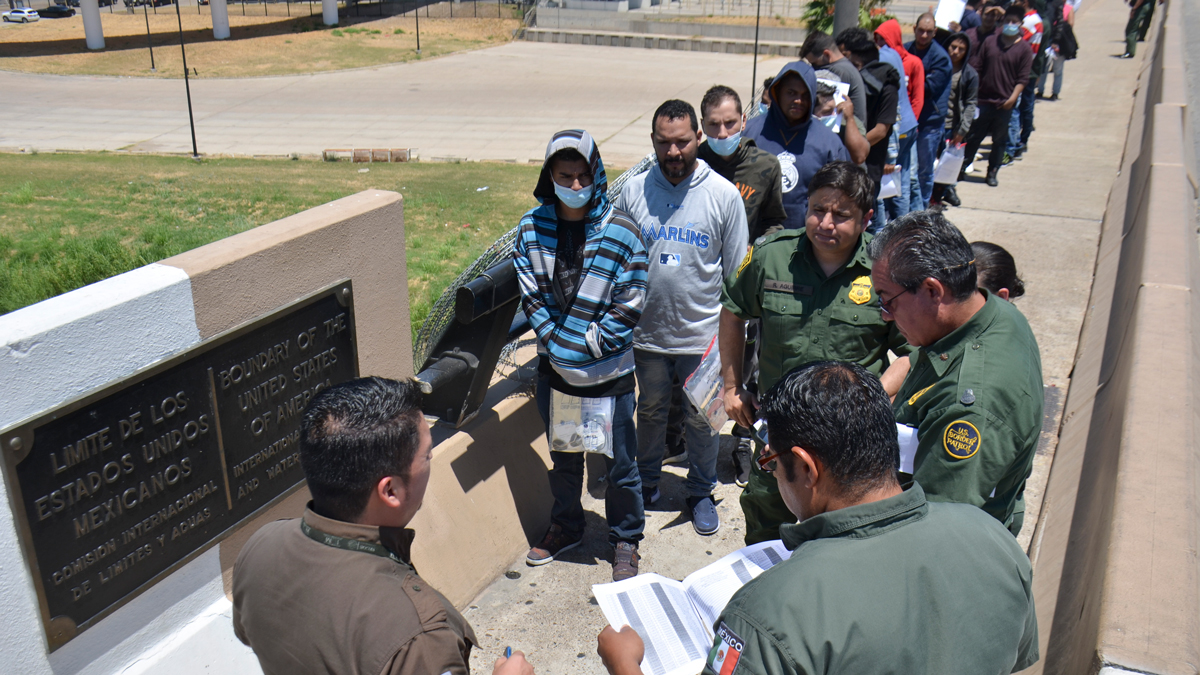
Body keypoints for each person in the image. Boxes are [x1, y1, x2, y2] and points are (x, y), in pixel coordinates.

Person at [597, 361, 1039, 675]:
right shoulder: (992, 539)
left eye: (770, 461)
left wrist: (624, 664)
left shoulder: (767, 614)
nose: (771, 472)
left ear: (807, 468)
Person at [232, 377, 536, 675]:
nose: (430, 461)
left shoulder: (259, 547)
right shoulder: (418, 640)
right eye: (427, 455)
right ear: (390, 491)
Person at [718, 161, 911, 545]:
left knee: (847, 540)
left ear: (866, 217)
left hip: (850, 445)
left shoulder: (886, 271)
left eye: (841, 215)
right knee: (767, 532)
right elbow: (732, 311)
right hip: (779, 438)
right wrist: (732, 386)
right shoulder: (771, 257)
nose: (825, 223)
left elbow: (911, 353)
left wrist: (873, 398)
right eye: (817, 210)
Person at [513, 130, 648, 580]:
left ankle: (625, 539)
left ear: (597, 174)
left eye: (582, 175)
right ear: (548, 176)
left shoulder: (622, 232)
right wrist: (558, 345)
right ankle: (567, 525)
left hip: (607, 376)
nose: (574, 185)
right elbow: (532, 297)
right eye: (564, 175)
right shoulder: (533, 229)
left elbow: (630, 302)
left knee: (620, 466)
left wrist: (586, 345)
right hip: (560, 374)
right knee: (567, 461)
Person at [617, 100, 749, 536]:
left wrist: (732, 344)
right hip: (647, 335)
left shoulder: (724, 196)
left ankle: (699, 491)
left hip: (703, 338)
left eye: (682, 142)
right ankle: (648, 480)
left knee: (703, 419)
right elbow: (617, 262)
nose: (674, 153)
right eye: (664, 143)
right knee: (651, 410)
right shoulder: (633, 192)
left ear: (699, 139)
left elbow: (736, 277)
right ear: (653, 142)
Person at [870, 211, 1044, 535]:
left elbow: (933, 532)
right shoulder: (988, 312)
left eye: (888, 301)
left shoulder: (968, 407)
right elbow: (920, 360)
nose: (885, 316)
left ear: (934, 291)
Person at [697, 84, 787, 486]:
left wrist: (759, 252)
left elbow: (775, 220)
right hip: (697, 285)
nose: (721, 134)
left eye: (729, 124)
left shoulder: (765, 166)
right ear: (702, 127)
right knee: (695, 363)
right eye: (713, 125)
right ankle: (682, 435)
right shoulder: (692, 162)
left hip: (743, 289)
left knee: (744, 367)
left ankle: (741, 443)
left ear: (743, 121)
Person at [744, 61, 851, 229]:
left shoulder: (829, 143)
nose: (798, 100)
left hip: (806, 239)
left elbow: (842, 194)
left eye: (805, 95)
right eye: (791, 93)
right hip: (754, 237)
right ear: (777, 93)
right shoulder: (750, 132)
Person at [961, 5, 1032, 187]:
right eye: (1007, 21)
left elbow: (1023, 79)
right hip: (983, 100)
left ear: (1020, 24)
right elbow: (977, 67)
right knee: (974, 137)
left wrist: (1012, 99)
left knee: (999, 141)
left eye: (1014, 22)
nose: (1010, 24)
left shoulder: (1024, 49)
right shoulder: (990, 42)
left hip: (1004, 103)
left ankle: (992, 171)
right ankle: (962, 167)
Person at [837, 28, 901, 198]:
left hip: (870, 165)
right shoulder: (848, 86)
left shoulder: (888, 88)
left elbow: (881, 130)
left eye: (856, 66)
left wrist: (856, 147)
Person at [875, 19, 925, 214]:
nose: (878, 43)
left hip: (897, 128)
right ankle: (905, 224)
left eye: (882, 39)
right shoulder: (896, 54)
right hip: (908, 125)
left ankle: (897, 223)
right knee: (902, 180)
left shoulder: (883, 56)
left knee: (891, 182)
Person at [906, 13, 953, 210]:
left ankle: (923, 209)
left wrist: (908, 82)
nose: (924, 35)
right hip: (908, 119)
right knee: (907, 169)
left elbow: (928, 87)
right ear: (914, 29)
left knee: (924, 171)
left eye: (928, 32)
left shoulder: (941, 58)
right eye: (920, 30)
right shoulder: (906, 49)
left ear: (934, 33)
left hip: (929, 122)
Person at [929, 32, 978, 208]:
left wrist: (962, 130)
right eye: (953, 47)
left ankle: (937, 198)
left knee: (946, 167)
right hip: (933, 123)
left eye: (961, 49)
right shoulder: (938, 67)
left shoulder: (969, 74)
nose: (956, 51)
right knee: (929, 165)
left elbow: (971, 103)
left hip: (952, 127)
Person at [800, 30, 868, 124]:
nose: (814, 68)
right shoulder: (843, 67)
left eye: (814, 63)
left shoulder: (839, 71)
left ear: (827, 54)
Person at [1007, 0, 1043, 159]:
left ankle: (1016, 144)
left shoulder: (1031, 21)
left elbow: (1012, 37)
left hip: (1023, 71)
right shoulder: (1032, 19)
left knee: (1019, 109)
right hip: (1024, 70)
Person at [812, 69, 870, 164]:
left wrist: (849, 119)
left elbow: (859, 156)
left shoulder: (848, 122)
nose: (833, 114)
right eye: (827, 112)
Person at [1037, 0, 1077, 99]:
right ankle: (1040, 90)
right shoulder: (1046, 4)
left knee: (1058, 69)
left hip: (1060, 42)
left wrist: (1056, 38)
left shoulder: (1068, 8)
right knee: (1044, 68)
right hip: (1048, 41)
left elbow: (1070, 24)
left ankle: (1055, 92)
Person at [966, 5, 1005, 72]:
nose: (989, 18)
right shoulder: (969, 33)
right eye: (986, 14)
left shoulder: (1000, 36)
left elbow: (1018, 33)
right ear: (981, 14)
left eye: (993, 15)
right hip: (966, 73)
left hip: (987, 76)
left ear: (997, 17)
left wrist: (1004, 14)